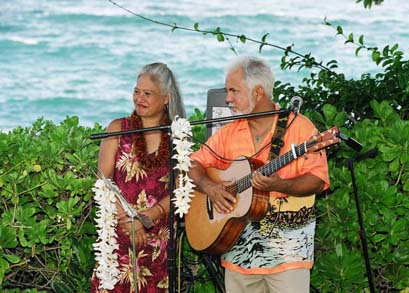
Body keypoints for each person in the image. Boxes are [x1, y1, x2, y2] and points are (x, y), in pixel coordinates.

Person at [188, 56, 329, 292]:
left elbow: (318, 180)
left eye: (234, 90)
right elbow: (192, 163)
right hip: (237, 253)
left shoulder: (300, 128)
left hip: (289, 255)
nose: (228, 98)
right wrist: (210, 187)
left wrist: (282, 185)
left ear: (258, 92)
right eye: (227, 91)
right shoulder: (229, 133)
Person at [91, 62, 186, 292]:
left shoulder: (178, 135)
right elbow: (103, 182)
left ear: (165, 98)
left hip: (157, 239)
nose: (139, 98)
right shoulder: (118, 129)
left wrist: (146, 219)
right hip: (118, 238)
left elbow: (180, 189)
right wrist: (129, 222)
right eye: (136, 91)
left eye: (147, 93)